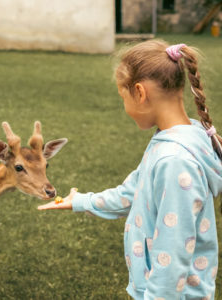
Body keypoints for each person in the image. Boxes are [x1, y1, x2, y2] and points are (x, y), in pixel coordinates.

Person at [38, 40, 222, 299]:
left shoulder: (175, 161)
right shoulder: (180, 137)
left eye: (122, 97)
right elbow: (132, 192)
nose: (125, 107)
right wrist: (81, 201)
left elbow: (173, 253)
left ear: (139, 92)